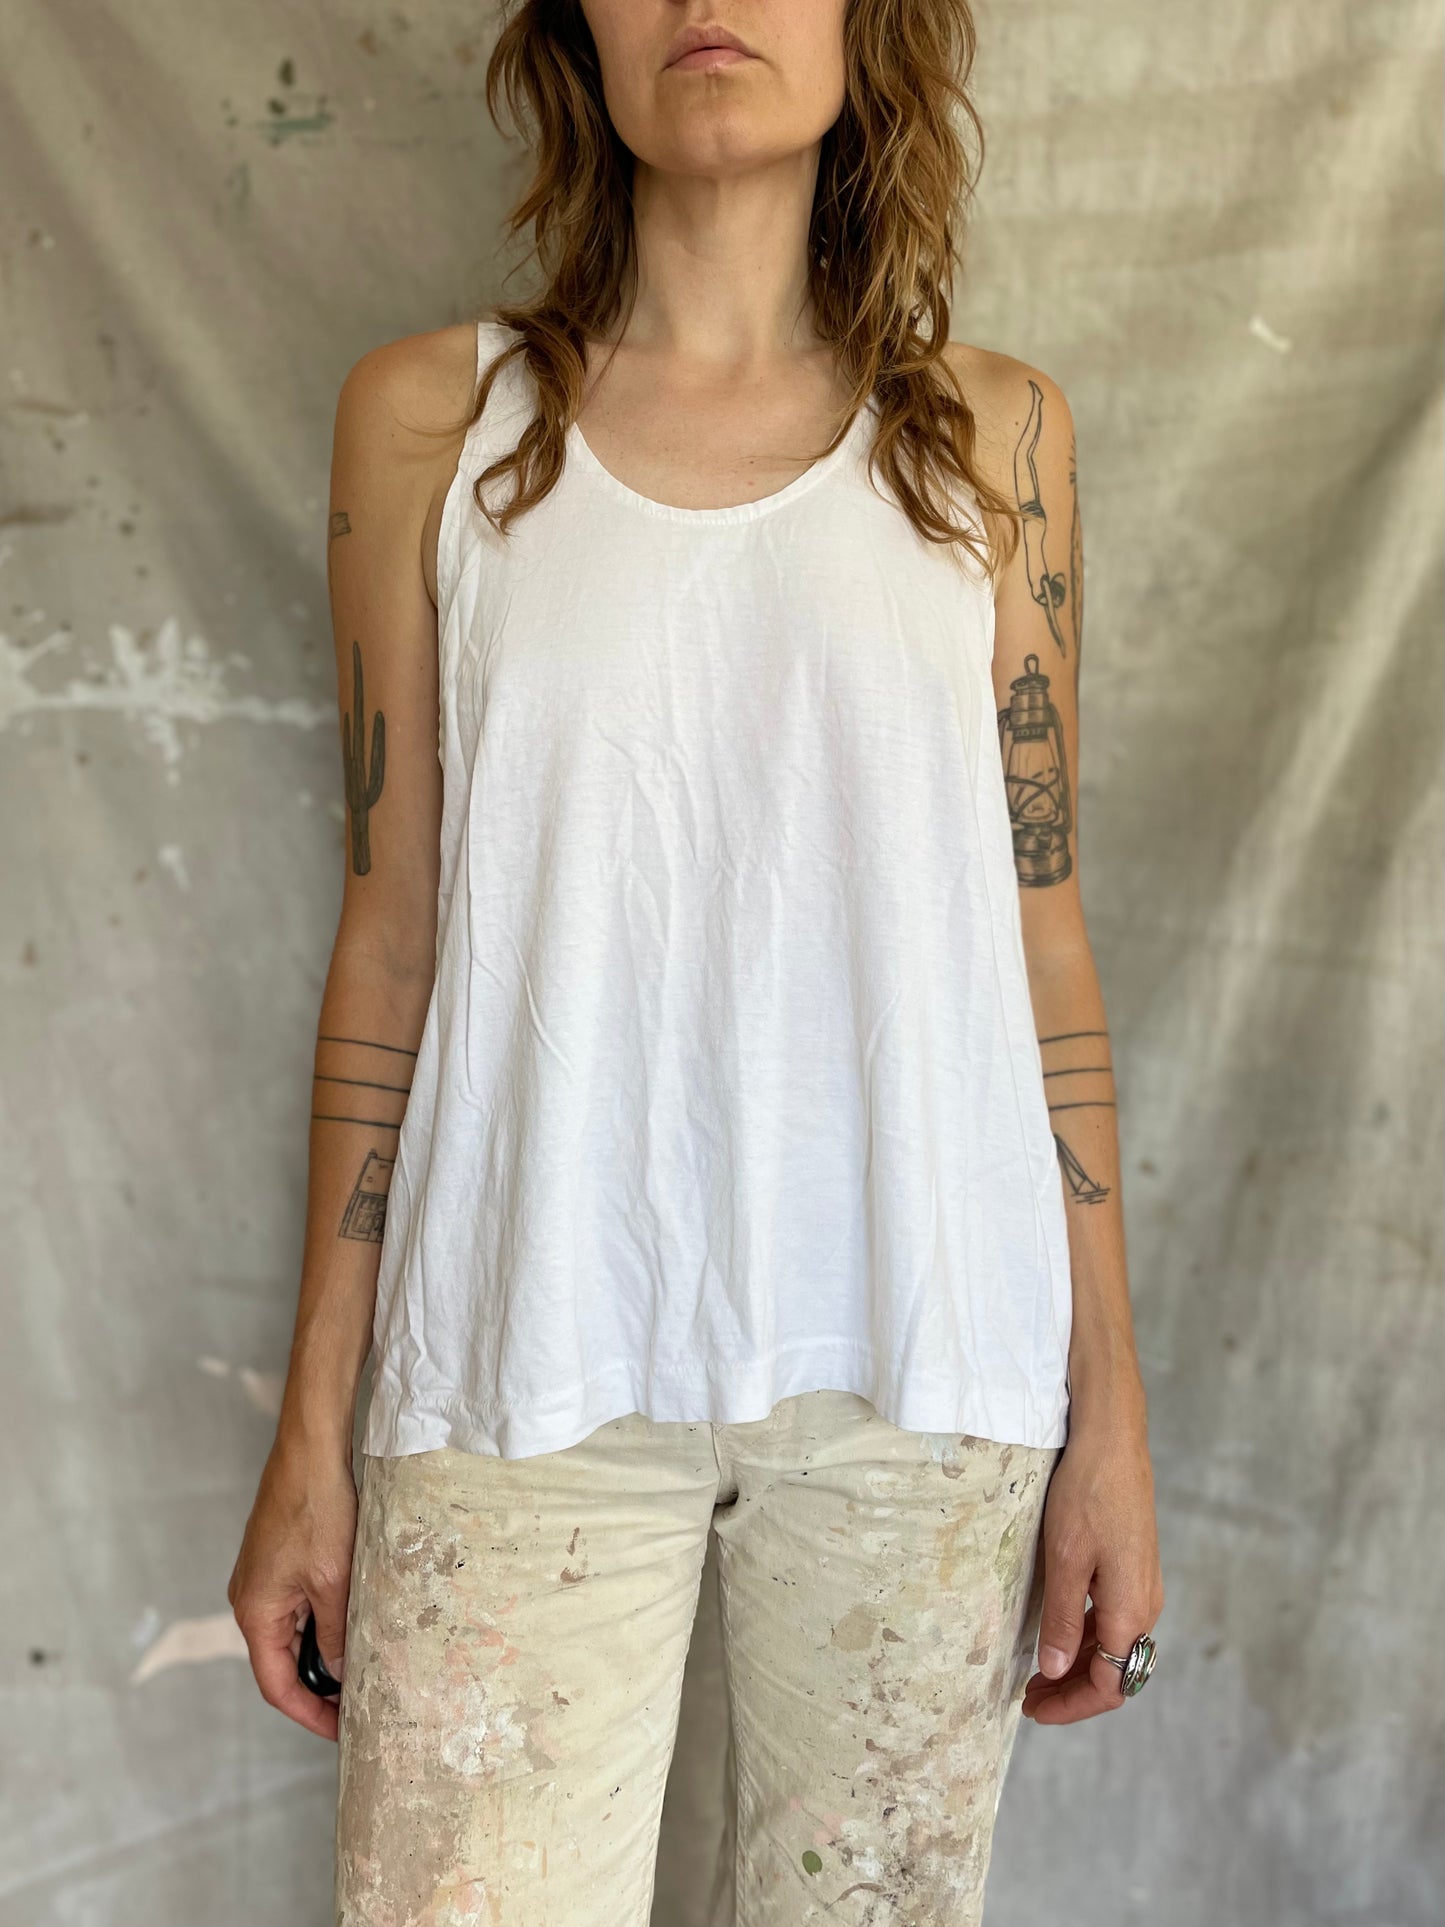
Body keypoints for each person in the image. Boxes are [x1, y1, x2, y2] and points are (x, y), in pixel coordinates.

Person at [228, 3, 1164, 1921]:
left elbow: (1041, 941)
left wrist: (1111, 1417)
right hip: (518, 1358)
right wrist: (315, 1425)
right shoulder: (433, 425)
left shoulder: (994, 441)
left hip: (927, 1370)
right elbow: (389, 949)